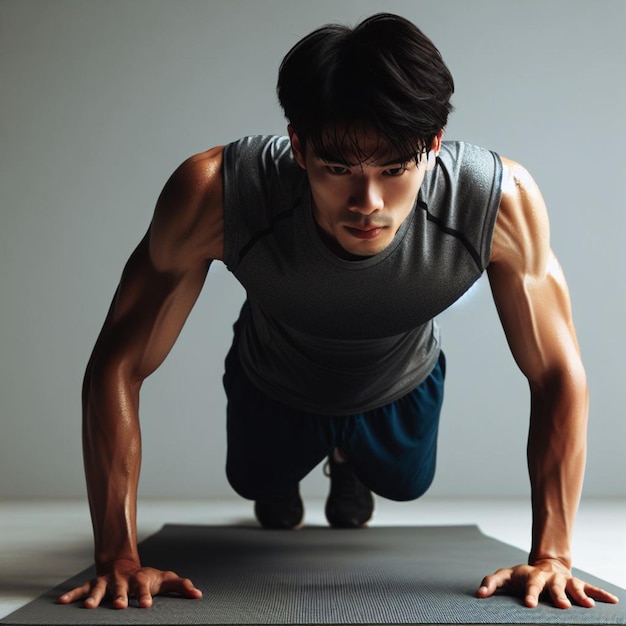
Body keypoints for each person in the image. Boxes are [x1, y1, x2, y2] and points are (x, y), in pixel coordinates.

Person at [57, 13, 619, 612]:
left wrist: (553, 556)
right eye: (338, 170)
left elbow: (559, 372)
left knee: (406, 483)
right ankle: (296, 476)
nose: (367, 204)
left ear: (432, 144)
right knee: (260, 488)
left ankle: (349, 464)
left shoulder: (499, 200)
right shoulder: (217, 192)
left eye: (394, 171)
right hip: (272, 378)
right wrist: (117, 558)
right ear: (299, 145)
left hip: (399, 379)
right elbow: (116, 364)